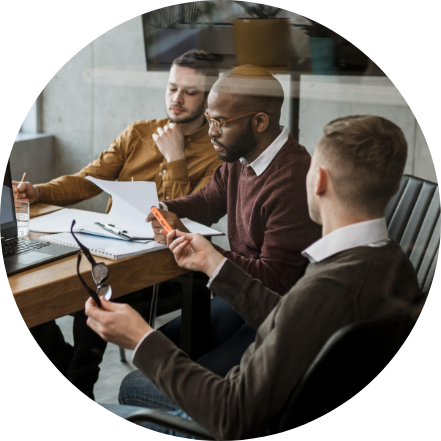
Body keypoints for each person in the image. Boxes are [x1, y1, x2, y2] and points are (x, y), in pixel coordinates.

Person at [86, 115, 423, 440]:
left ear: (318, 180)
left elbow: (232, 416)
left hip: (243, 422)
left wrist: (141, 338)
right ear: (394, 187)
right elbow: (297, 318)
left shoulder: (327, 286)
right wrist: (214, 263)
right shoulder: (394, 263)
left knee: (133, 385)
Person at [18, 49, 223, 400]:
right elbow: (87, 180)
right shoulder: (139, 133)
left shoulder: (217, 150)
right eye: (172, 87)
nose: (177, 98)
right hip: (112, 246)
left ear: (208, 97)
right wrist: (38, 191)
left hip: (168, 263)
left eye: (190, 92)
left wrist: (175, 159)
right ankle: (69, 370)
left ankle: (81, 380)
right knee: (28, 287)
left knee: (96, 287)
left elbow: (192, 216)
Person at [142, 64, 321, 377]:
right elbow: (206, 202)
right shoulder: (242, 158)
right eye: (210, 120)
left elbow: (275, 283)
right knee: (154, 353)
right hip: (240, 298)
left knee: (171, 377)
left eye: (220, 122)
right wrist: (162, 208)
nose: (211, 131)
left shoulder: (293, 180)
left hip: (276, 317)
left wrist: (206, 254)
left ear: (260, 121)